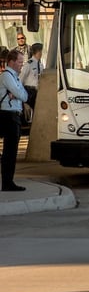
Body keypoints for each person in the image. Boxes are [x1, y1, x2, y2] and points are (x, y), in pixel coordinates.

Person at [0, 50, 28, 192]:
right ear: (11, 61)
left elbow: (25, 96)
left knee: (11, 151)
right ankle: (7, 182)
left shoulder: (15, 77)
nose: (21, 65)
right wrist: (17, 94)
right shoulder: (7, 76)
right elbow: (20, 94)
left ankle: (8, 181)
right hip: (8, 116)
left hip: (14, 115)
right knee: (9, 152)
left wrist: (17, 94)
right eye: (19, 62)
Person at [19, 42, 43, 111]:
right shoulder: (29, 64)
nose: (41, 53)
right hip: (29, 91)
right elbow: (21, 79)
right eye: (41, 51)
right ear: (38, 51)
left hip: (38, 91)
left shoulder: (41, 65)